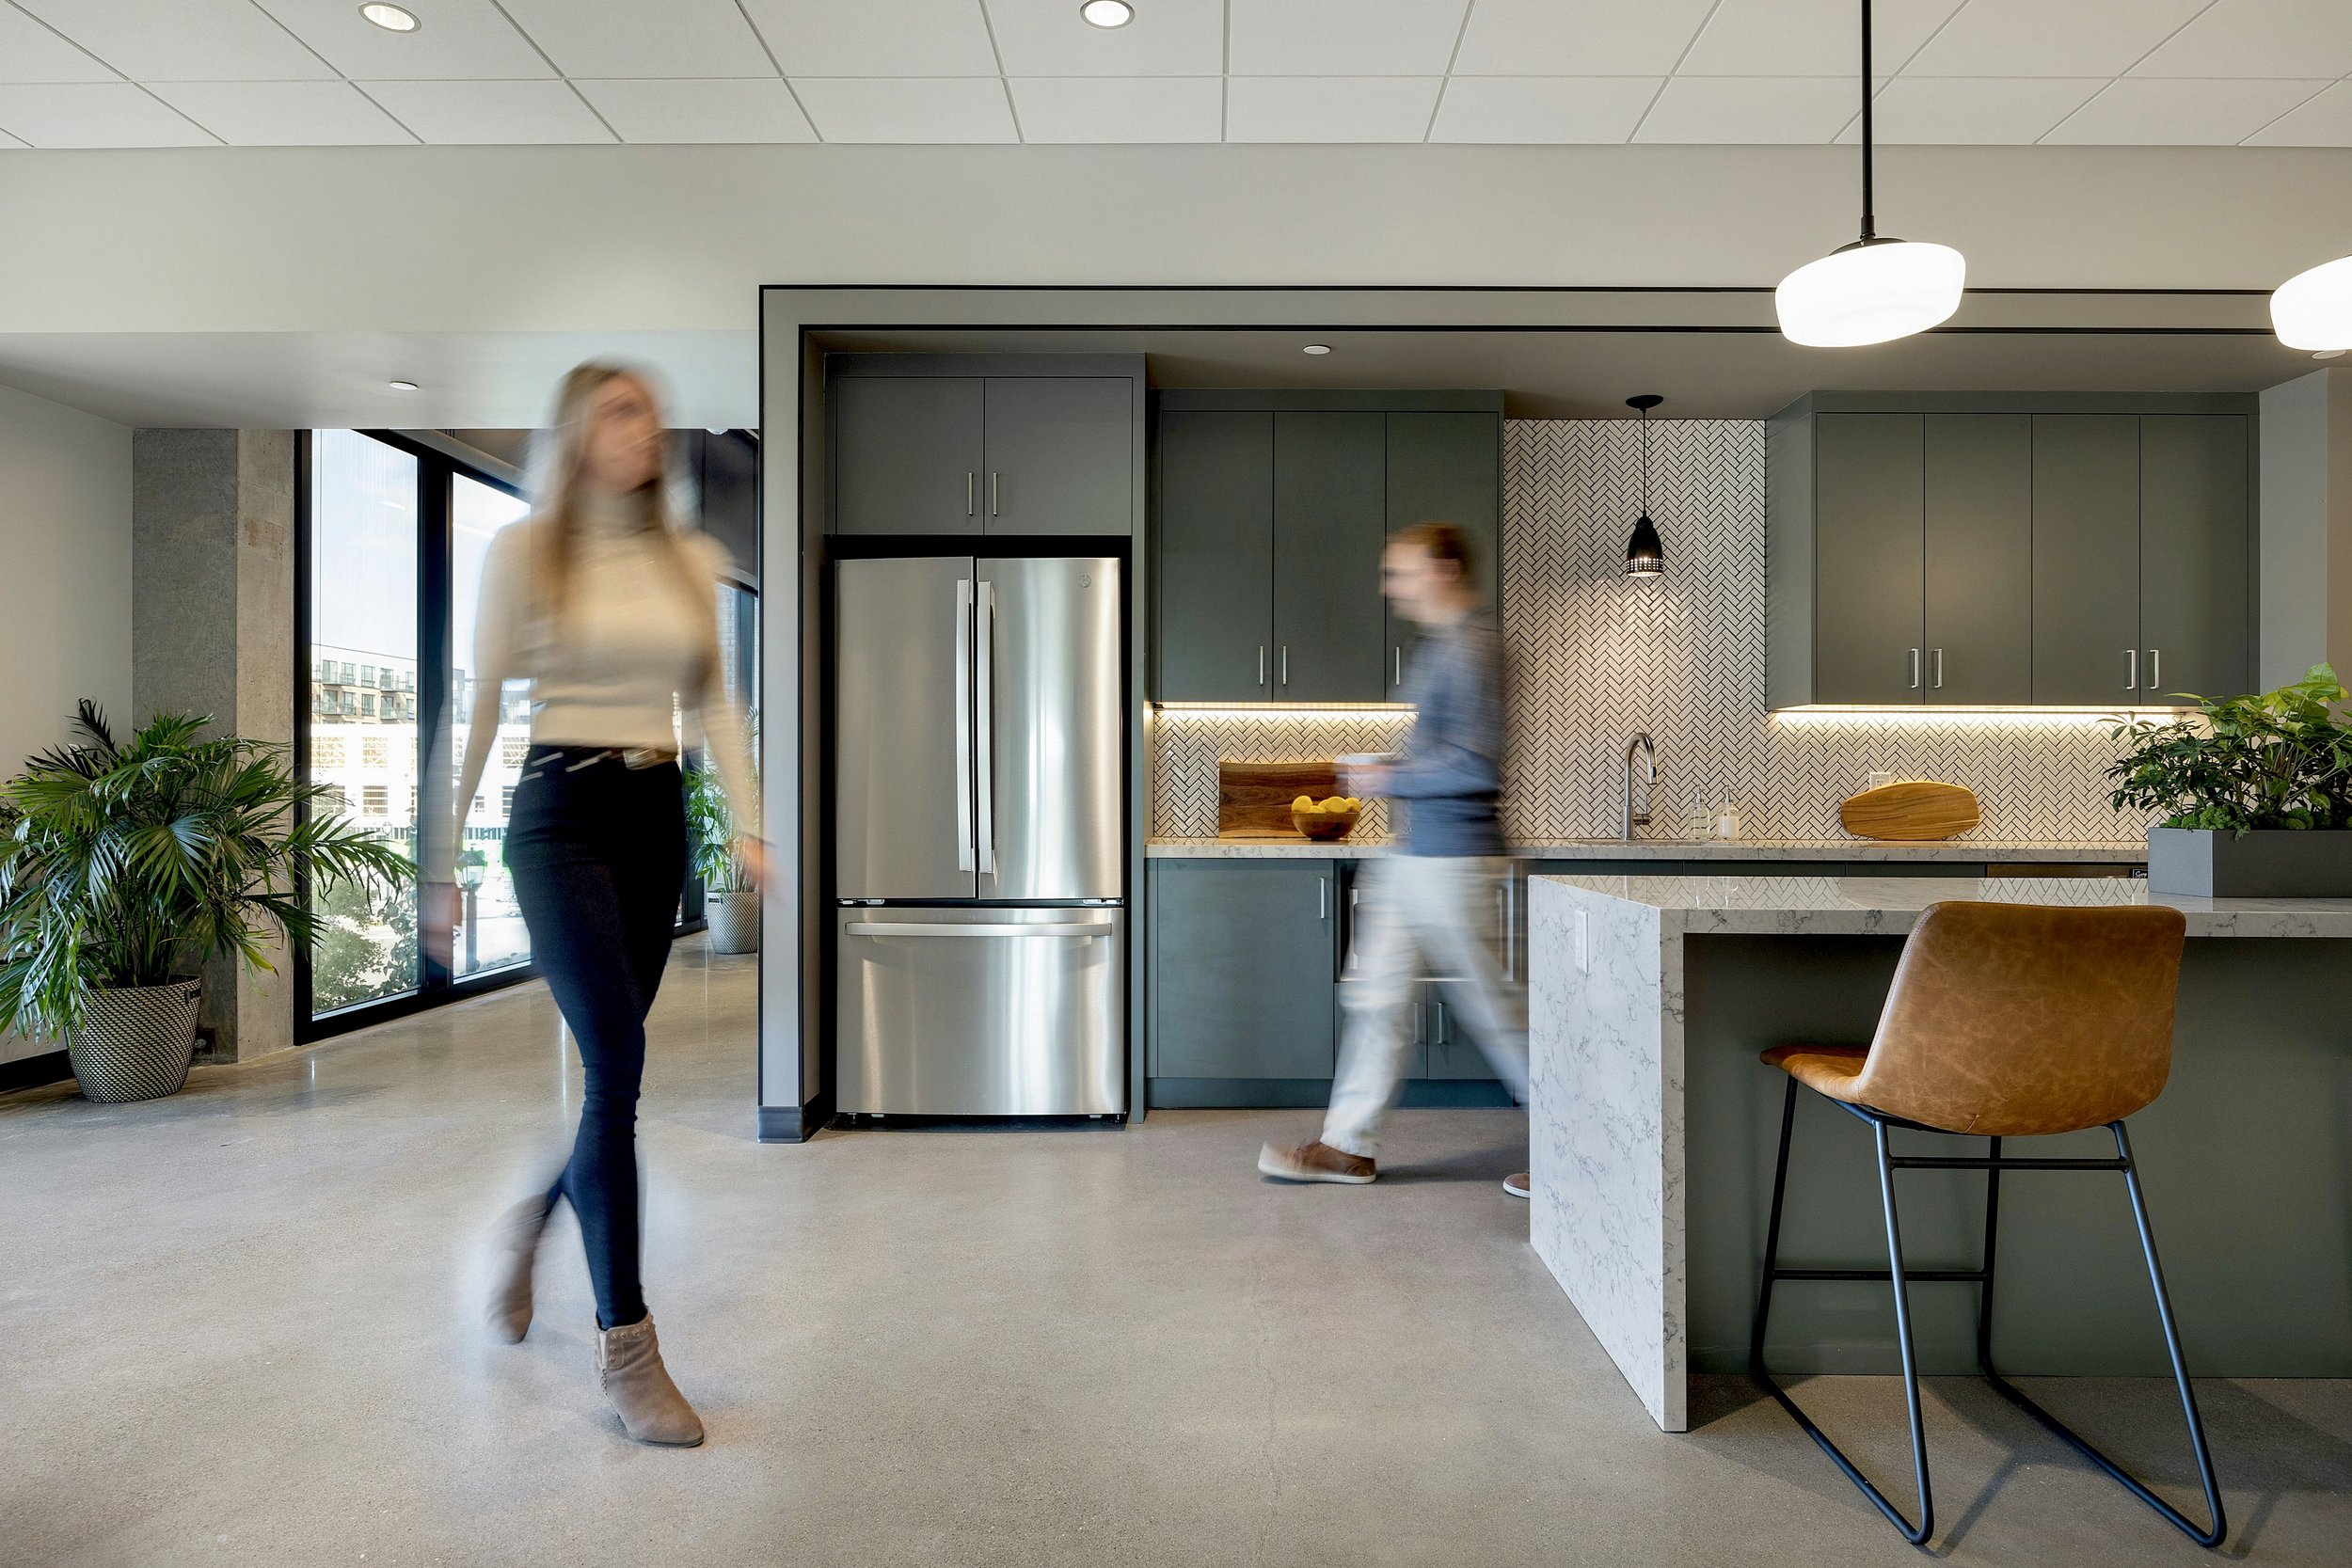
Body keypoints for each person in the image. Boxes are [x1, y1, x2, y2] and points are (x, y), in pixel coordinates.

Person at [426, 362, 763, 1448]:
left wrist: (750, 821)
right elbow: (472, 703)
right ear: (574, 432)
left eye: (653, 410)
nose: (645, 427)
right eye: (620, 410)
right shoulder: (525, 552)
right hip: (558, 816)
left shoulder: (690, 556)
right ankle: (629, 1350)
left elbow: (715, 696)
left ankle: (530, 1225)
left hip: (655, 816)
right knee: (615, 1064)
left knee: (611, 1075)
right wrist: (438, 856)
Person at [1258, 523, 1529, 1194]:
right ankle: (1347, 1144)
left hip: (1455, 860)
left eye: (1399, 571)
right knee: (1376, 997)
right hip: (1416, 856)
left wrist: (1387, 776)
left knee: (1497, 1009)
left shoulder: (1474, 646)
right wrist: (1395, 771)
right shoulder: (1441, 646)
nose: (1388, 585)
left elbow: (1473, 762)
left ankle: (1583, 1146)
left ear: (1442, 570)